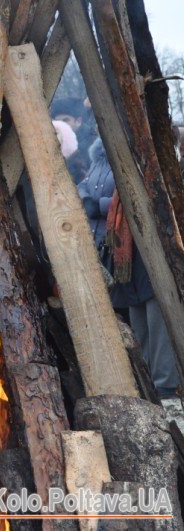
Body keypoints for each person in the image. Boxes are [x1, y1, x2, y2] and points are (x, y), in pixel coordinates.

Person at [78, 138, 180, 402]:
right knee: (139, 324)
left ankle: (166, 392)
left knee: (159, 325)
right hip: (127, 254)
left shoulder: (153, 160)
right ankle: (149, 389)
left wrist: (97, 204)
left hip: (156, 255)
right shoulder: (103, 157)